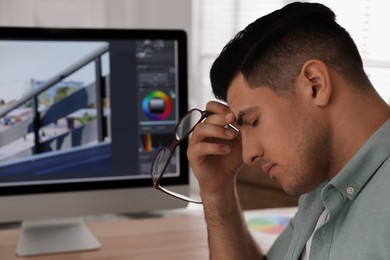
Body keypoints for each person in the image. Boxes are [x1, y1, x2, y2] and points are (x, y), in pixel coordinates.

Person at [187, 2, 390, 259]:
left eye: (253, 121)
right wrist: (218, 192)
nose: (248, 154)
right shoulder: (320, 188)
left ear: (315, 85)